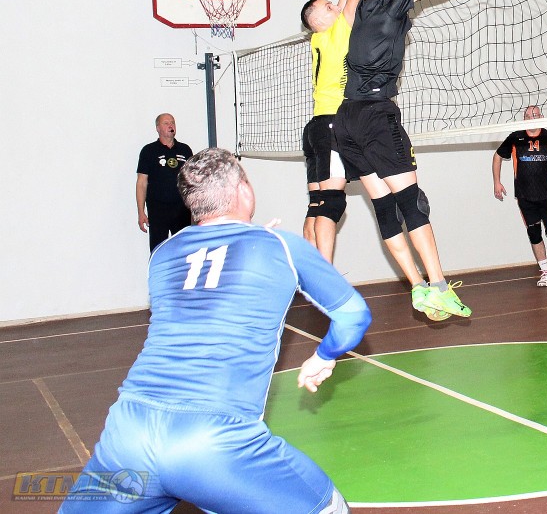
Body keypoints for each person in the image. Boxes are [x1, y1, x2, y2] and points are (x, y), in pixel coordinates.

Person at [62, 148, 371, 513]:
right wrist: (324, 356)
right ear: (243, 190)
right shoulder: (281, 246)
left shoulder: (163, 254)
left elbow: (209, 287)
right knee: (326, 506)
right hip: (214, 442)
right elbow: (354, 316)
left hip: (128, 431)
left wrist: (255, 239)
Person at [334, 0, 495, 321]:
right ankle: (439, 286)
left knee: (384, 207)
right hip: (375, 116)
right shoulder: (390, 9)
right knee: (412, 202)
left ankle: (418, 289)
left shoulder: (359, 10)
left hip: (346, 121)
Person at [299, 0, 373, 263]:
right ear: (319, 19)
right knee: (331, 204)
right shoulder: (334, 31)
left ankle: (309, 272)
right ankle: (325, 275)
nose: (335, 5)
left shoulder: (319, 38)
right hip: (332, 124)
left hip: (315, 128)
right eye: (328, 6)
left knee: (316, 205)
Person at [493, 105, 547, 286]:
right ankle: (545, 271)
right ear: (524, 119)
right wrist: (497, 182)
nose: (532, 118)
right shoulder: (515, 138)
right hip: (525, 196)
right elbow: (497, 156)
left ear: (541, 117)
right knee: (534, 233)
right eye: (528, 116)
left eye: (536, 115)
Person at [135, 113, 193, 252]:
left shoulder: (185, 150)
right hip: (158, 210)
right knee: (158, 249)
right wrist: (141, 212)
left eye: (172, 122)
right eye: (166, 123)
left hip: (182, 210)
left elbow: (192, 180)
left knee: (184, 250)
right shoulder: (149, 151)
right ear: (158, 128)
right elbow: (141, 183)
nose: (170, 125)